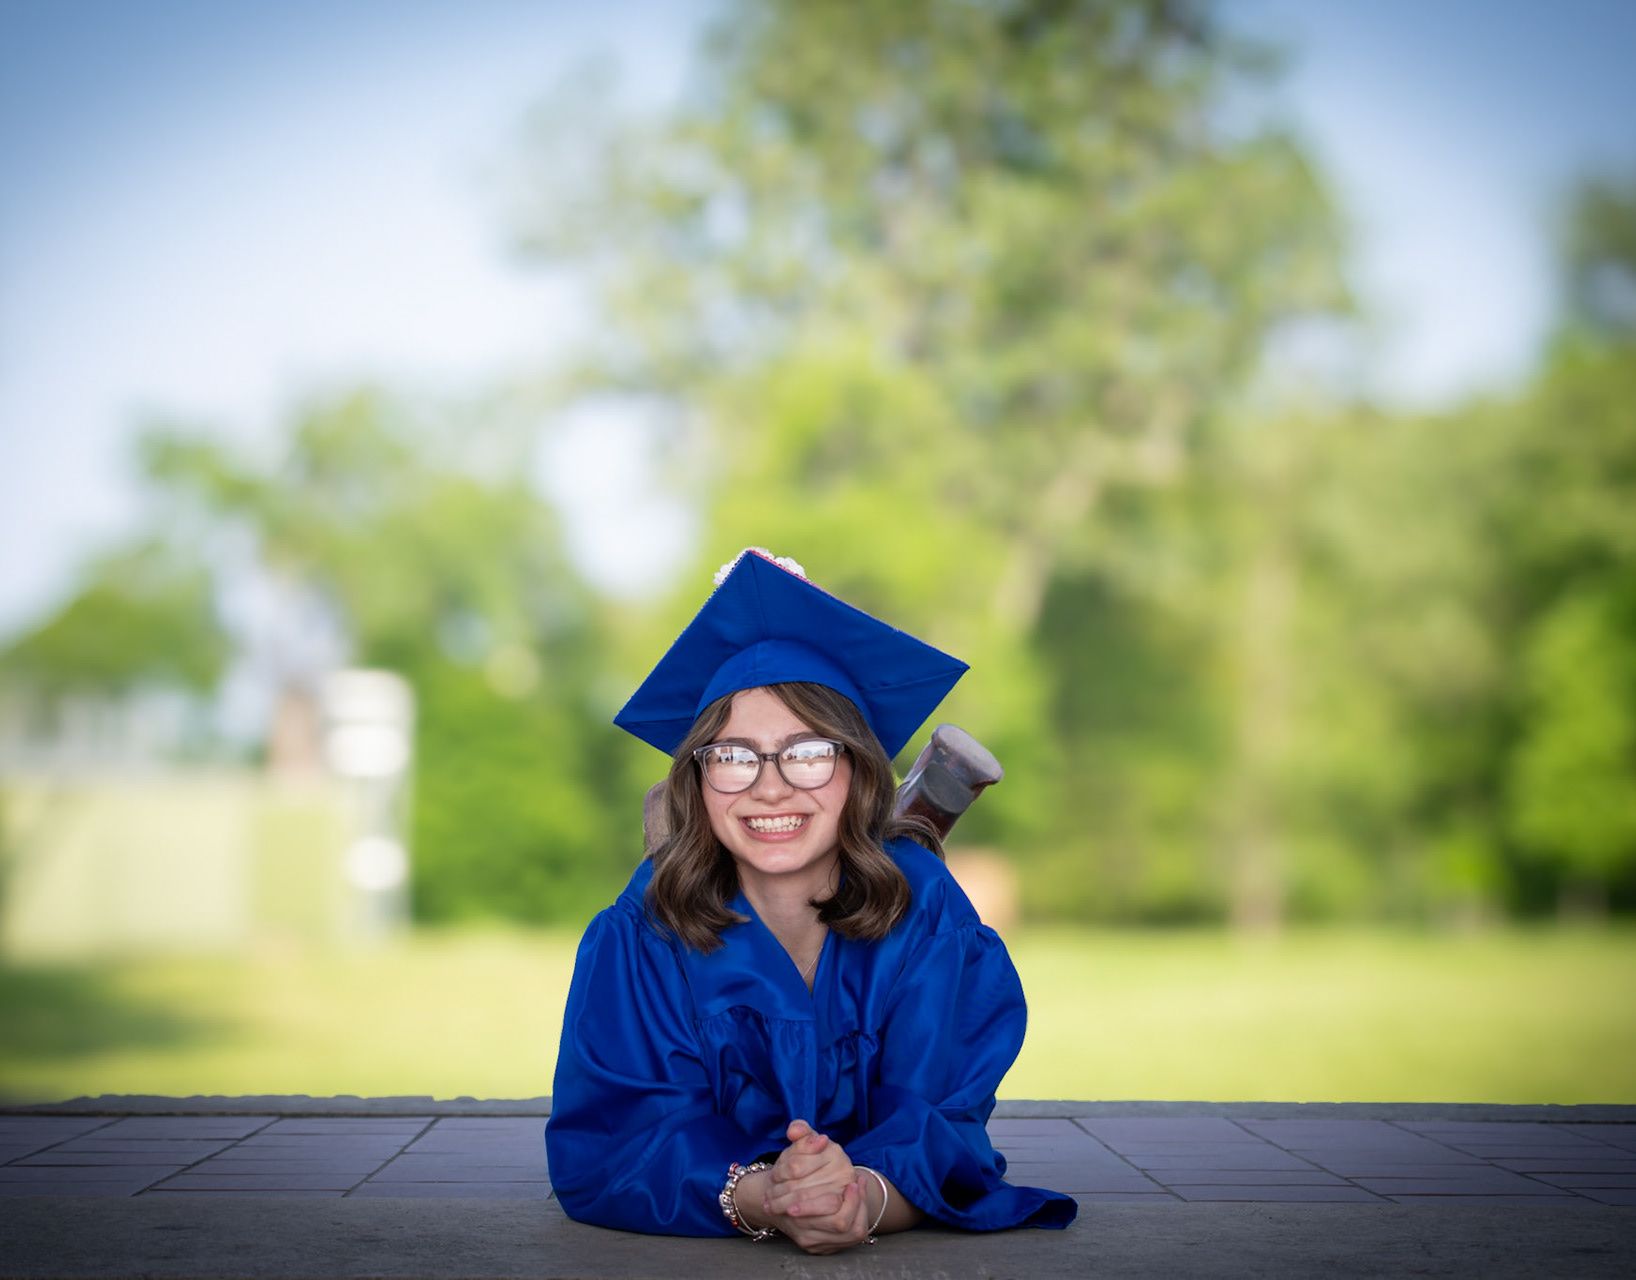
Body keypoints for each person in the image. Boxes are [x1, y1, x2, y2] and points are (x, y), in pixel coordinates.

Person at [545, 549, 1077, 1253]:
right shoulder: (644, 932)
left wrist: (862, 1198)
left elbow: (943, 1126)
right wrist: (764, 1196)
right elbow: (616, 1144)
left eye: (808, 752)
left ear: (858, 770)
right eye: (733, 756)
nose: (770, 788)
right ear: (697, 781)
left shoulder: (927, 913)